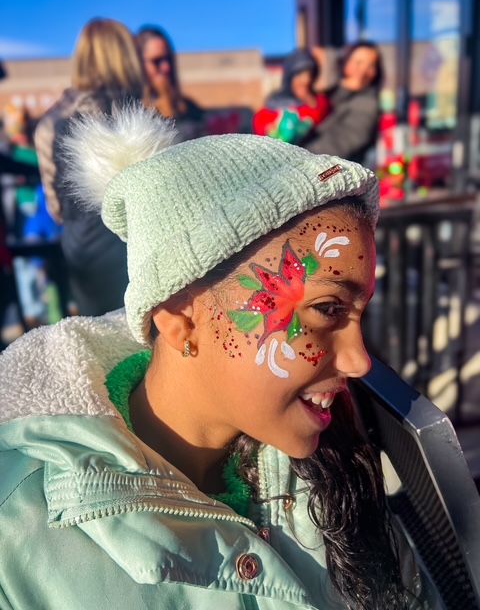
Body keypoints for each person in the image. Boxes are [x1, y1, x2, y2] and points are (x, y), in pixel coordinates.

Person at [0, 104, 437, 610]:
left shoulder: (337, 461)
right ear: (180, 315)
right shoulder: (17, 542)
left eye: (358, 313)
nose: (360, 361)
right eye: (324, 308)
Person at [34, 18, 145, 316]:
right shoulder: (127, 111)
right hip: (125, 245)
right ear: (124, 57)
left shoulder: (48, 123)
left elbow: (55, 207)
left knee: (103, 343)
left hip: (79, 247)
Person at [302, 41, 383, 164]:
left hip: (332, 171)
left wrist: (299, 157)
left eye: (366, 64)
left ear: (374, 72)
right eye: (356, 61)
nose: (358, 68)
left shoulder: (368, 104)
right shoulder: (333, 94)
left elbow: (340, 144)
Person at [136, 25, 205, 140]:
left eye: (168, 59)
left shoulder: (191, 109)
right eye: (156, 61)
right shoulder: (133, 115)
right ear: (139, 64)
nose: (166, 67)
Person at [253, 48, 331, 144]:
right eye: (300, 74)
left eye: (310, 74)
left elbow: (321, 117)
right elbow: (260, 121)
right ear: (290, 77)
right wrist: (270, 130)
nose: (306, 80)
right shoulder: (275, 101)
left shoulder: (319, 101)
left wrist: (308, 98)